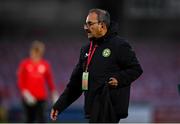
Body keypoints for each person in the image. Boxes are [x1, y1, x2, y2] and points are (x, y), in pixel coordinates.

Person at [50, 8, 143, 123]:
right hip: (93, 108)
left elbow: (136, 69)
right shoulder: (85, 50)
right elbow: (75, 84)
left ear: (102, 25)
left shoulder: (119, 45)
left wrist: (119, 79)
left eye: (90, 24)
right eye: (85, 24)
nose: (86, 28)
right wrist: (59, 105)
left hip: (109, 108)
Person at [17, 40, 59, 123]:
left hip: (41, 98)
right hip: (28, 98)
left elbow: (50, 81)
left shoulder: (45, 64)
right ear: (31, 51)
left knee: (42, 119)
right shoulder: (25, 64)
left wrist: (54, 93)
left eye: (38, 51)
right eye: (34, 50)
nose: (36, 53)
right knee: (28, 120)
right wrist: (25, 93)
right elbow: (21, 81)